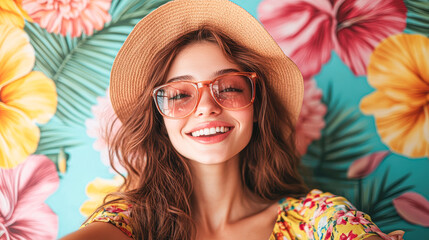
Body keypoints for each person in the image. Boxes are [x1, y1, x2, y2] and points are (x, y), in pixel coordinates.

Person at [61, 0, 405, 239]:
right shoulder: (130, 224)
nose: (206, 106)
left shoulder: (317, 219)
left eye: (228, 88)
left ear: (256, 106)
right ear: (159, 120)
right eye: (180, 94)